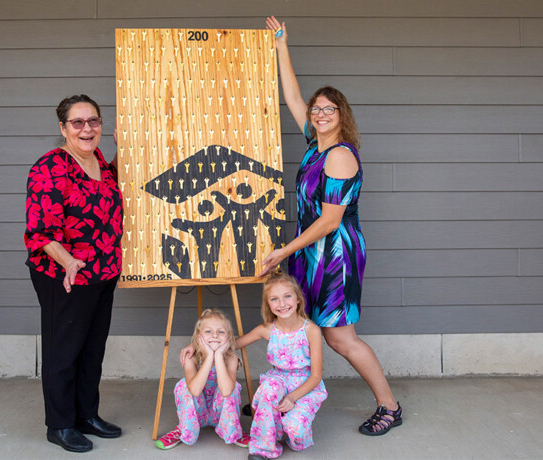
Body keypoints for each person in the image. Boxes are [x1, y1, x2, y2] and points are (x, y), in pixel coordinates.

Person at [258, 17, 402, 436]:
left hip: (334, 251)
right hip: (311, 248)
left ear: (342, 116)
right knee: (305, 329)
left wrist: (284, 251)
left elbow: (329, 220)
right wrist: (282, 46)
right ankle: (288, 398)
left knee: (339, 337)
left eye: (328, 109)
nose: (319, 113)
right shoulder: (313, 141)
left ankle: (389, 406)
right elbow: (292, 96)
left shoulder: (339, 155)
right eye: (317, 109)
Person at [25, 94, 123, 453]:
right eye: (78, 122)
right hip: (63, 274)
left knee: (92, 350)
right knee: (63, 351)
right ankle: (61, 424)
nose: (87, 128)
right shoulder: (49, 167)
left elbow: (109, 192)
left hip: (102, 272)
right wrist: (67, 261)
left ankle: (86, 415)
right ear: (63, 128)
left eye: (93, 121)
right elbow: (40, 232)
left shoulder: (99, 161)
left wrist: (122, 148)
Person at [239, 270, 327, 459]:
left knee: (295, 431)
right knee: (270, 388)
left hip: (304, 386)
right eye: (274, 299)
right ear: (268, 304)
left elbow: (316, 376)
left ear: (297, 299)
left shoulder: (311, 330)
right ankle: (264, 447)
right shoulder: (267, 330)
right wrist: (198, 346)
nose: (282, 304)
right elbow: (233, 344)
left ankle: (281, 424)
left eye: (287, 296)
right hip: (278, 380)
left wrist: (292, 398)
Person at [156, 309, 251, 450]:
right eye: (208, 332)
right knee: (184, 386)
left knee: (233, 387)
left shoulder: (230, 358)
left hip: (220, 415)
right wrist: (208, 358)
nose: (214, 335)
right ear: (198, 337)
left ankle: (232, 429)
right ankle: (184, 428)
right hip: (197, 414)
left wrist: (218, 356)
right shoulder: (192, 358)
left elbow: (226, 391)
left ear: (229, 338)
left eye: (221, 332)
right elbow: (194, 390)